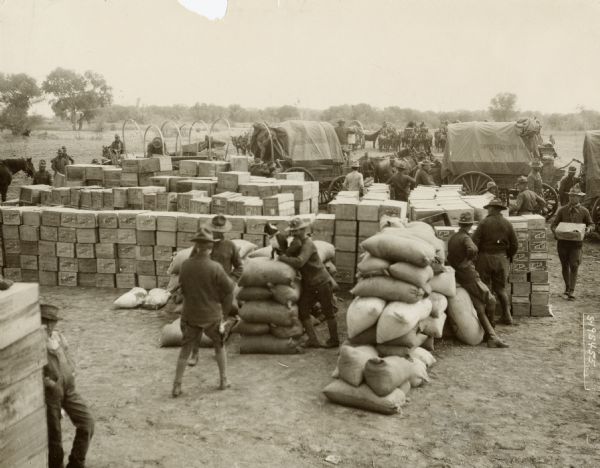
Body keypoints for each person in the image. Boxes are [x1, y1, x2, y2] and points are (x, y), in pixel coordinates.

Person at [172, 227, 235, 397]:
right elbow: (229, 289)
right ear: (211, 247)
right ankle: (223, 380)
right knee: (219, 346)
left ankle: (177, 385)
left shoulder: (185, 265)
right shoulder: (215, 267)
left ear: (196, 247)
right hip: (211, 315)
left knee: (185, 350)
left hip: (190, 314)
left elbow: (183, 288)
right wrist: (225, 312)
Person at [42, 304, 95, 468]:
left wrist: (72, 372)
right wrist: (50, 384)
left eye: (52, 321)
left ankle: (76, 463)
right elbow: (33, 370)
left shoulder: (58, 336)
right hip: (51, 393)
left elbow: (68, 356)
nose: (50, 325)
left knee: (87, 422)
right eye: (46, 321)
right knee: (55, 436)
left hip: (69, 389)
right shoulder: (36, 341)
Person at [186, 215, 243, 366]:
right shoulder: (202, 245)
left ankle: (218, 352)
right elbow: (191, 263)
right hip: (205, 290)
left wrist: (231, 281)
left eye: (221, 231)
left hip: (224, 291)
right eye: (215, 230)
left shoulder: (230, 246)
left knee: (220, 324)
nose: (218, 234)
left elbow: (239, 267)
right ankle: (195, 354)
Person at [447, 212, 508, 348]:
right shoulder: (465, 238)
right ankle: (491, 333)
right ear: (469, 226)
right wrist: (467, 261)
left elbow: (449, 258)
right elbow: (473, 249)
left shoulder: (453, 238)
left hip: (459, 275)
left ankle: (492, 336)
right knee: (491, 300)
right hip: (469, 275)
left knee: (479, 306)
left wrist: (457, 266)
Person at [278, 217, 339, 348]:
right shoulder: (298, 243)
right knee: (303, 310)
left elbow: (300, 261)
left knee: (328, 312)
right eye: (292, 231)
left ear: (303, 230)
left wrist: (282, 258)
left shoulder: (308, 244)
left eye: (297, 231)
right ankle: (313, 339)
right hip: (310, 284)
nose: (294, 234)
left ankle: (334, 340)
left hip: (321, 282)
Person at [472, 198, 518, 326]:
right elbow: (514, 244)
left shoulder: (484, 223)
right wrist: (508, 256)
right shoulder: (507, 224)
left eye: (489, 209)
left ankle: (488, 318)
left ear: (491, 209)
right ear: (500, 210)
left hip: (485, 257)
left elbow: (474, 242)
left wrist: (475, 257)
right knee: (501, 289)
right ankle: (507, 316)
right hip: (502, 258)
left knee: (485, 287)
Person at [550, 184, 593, 300]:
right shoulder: (562, 210)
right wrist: (556, 232)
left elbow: (591, 224)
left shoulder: (584, 211)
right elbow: (553, 225)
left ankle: (572, 291)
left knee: (574, 265)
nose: (572, 198)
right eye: (571, 196)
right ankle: (567, 288)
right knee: (565, 265)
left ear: (580, 198)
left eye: (575, 196)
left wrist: (588, 229)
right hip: (563, 243)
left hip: (576, 244)